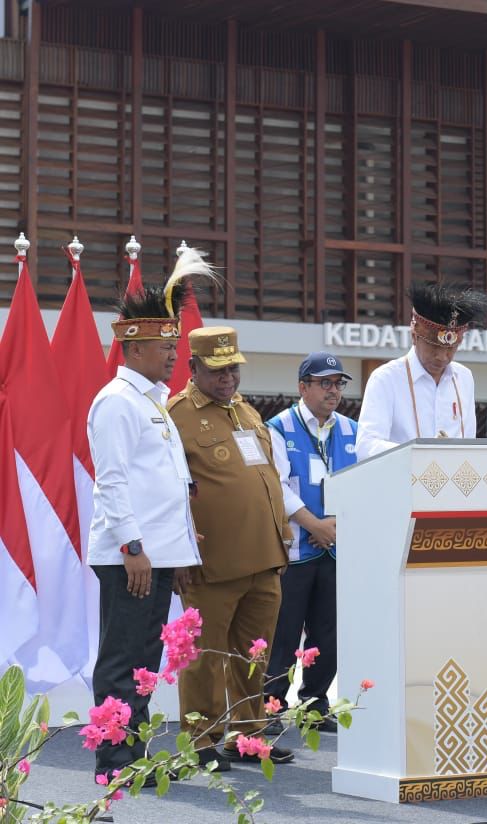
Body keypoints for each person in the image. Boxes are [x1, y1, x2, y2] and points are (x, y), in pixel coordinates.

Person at [86, 255, 209, 779]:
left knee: (144, 666)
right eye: (165, 348)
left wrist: (181, 552)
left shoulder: (154, 401)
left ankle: (132, 755)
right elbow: (111, 482)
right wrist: (133, 548)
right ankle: (112, 762)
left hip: (157, 556)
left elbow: (169, 487)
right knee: (122, 661)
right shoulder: (117, 401)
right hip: (131, 557)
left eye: (175, 347)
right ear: (133, 348)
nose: (173, 357)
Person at [168, 327, 293, 770]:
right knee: (203, 657)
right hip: (212, 563)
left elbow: (268, 477)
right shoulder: (176, 416)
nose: (229, 378)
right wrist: (179, 552)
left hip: (265, 556)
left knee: (254, 654)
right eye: (218, 370)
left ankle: (248, 734)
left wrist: (281, 532)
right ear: (194, 368)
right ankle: (200, 739)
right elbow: (170, 492)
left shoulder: (246, 411)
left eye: (233, 369)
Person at [265, 353, 358, 734]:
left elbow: (363, 481)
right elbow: (278, 486)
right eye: (324, 383)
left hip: (337, 546)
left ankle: (315, 702)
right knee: (284, 632)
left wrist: (335, 523)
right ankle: (270, 704)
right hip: (295, 549)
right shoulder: (278, 428)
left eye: (338, 383)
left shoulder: (353, 430)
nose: (333, 390)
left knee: (328, 631)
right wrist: (314, 524)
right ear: (303, 387)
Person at [355, 281, 487, 458]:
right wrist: (419, 453)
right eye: (434, 348)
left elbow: (468, 440)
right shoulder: (385, 378)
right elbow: (365, 446)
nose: (442, 357)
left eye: (451, 349)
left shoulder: (464, 378)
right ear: (414, 336)